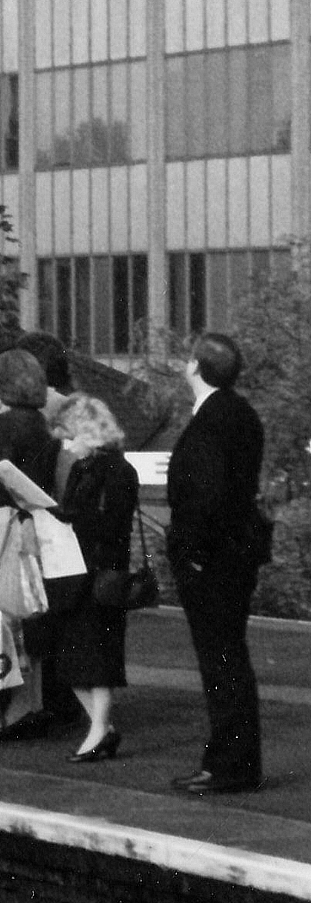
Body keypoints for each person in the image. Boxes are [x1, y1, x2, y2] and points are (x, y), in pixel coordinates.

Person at [166, 331, 268, 794]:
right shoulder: (243, 415)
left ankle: (229, 763)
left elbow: (205, 497)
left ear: (194, 367)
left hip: (213, 561)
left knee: (220, 660)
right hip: (238, 553)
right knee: (230, 657)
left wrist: (193, 556)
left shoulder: (209, 422)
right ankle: (234, 758)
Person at [0, 347, 64, 742]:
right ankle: (36, 704)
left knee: (6, 618)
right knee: (35, 615)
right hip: (37, 526)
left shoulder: (5, 426)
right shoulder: (41, 424)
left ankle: (14, 713)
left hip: (4, 526)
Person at [48, 391, 138, 764]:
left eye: (70, 437)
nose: (66, 446)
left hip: (100, 571)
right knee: (74, 658)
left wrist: (68, 518)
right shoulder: (89, 466)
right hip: (78, 568)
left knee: (96, 657)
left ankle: (100, 730)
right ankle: (101, 727)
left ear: (87, 431)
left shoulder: (116, 471)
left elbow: (113, 524)